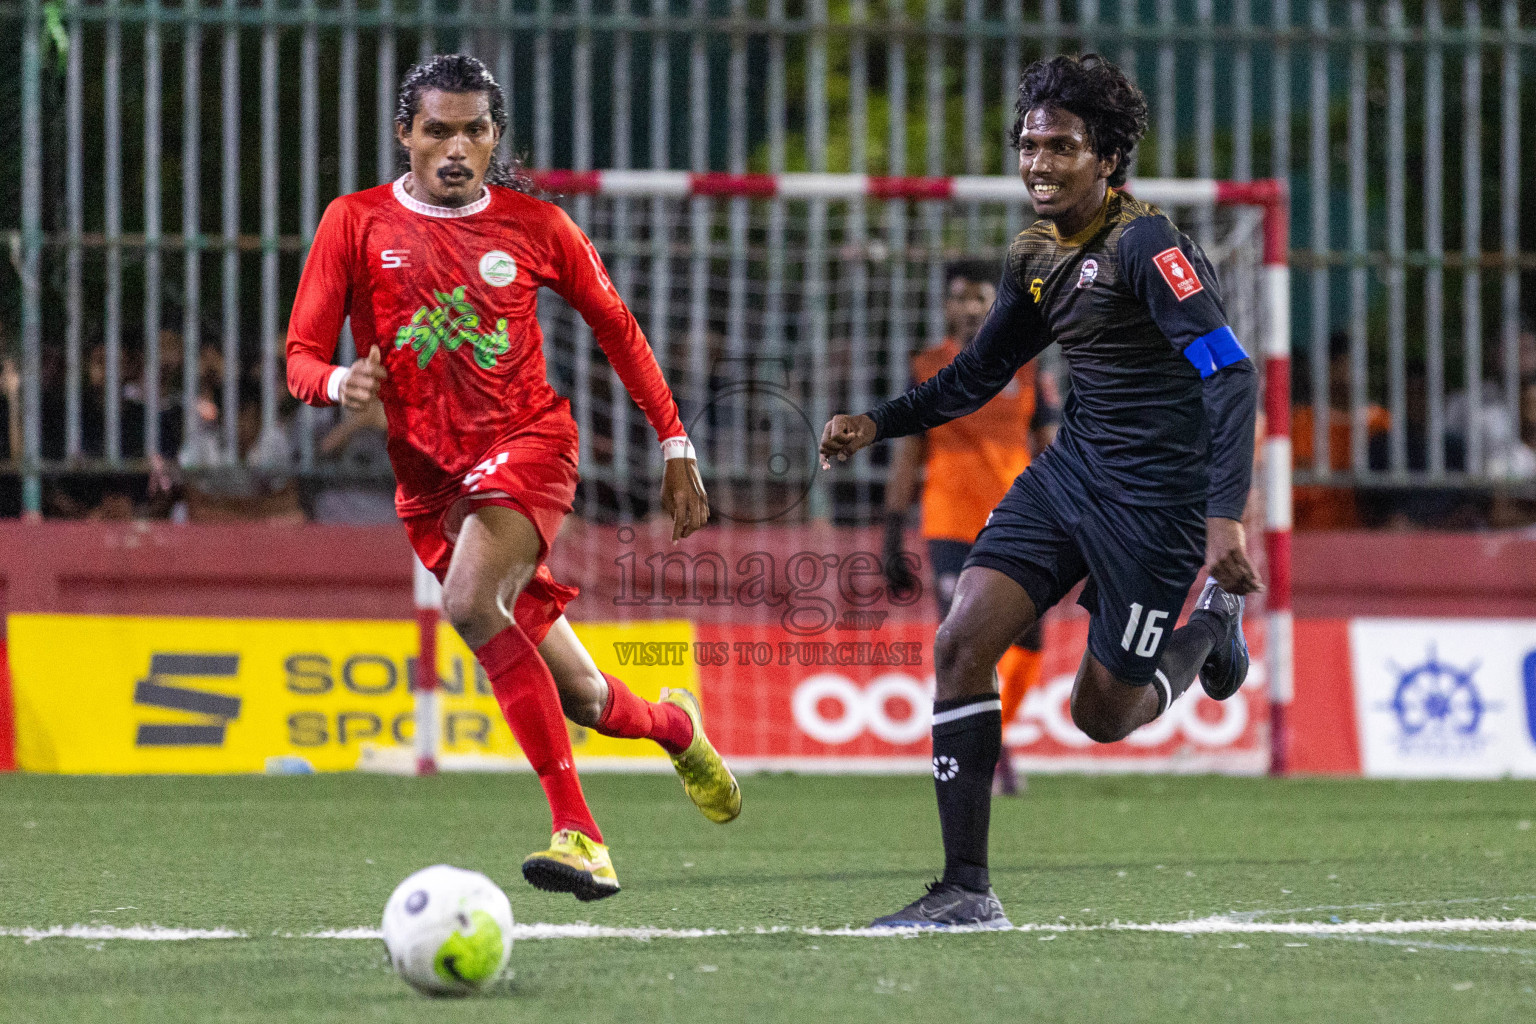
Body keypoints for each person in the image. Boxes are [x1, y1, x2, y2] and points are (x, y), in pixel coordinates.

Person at [820, 53, 1261, 929]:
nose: (1039, 164)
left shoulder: (1149, 247)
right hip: (1068, 479)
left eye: (1061, 147)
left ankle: (1211, 621)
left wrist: (1223, 522)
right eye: (1030, 145)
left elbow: (1231, 376)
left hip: (1158, 511)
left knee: (1101, 714)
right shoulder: (1034, 254)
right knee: (959, 642)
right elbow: (977, 376)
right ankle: (965, 890)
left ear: (1107, 159)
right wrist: (879, 422)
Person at [286, 54, 739, 902]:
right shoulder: (353, 222)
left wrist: (675, 443)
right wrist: (335, 383)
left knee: (467, 603)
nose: (455, 148)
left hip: (529, 445)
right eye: (437, 131)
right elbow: (300, 356)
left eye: (474, 130)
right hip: (431, 486)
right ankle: (677, 728)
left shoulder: (536, 226)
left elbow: (620, 329)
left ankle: (582, 834)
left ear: (496, 138)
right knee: (586, 696)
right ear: (404, 135)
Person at [882, 260, 1060, 797]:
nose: (968, 307)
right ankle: (983, 756)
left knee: (1030, 637)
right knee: (967, 640)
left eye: (979, 297)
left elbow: (1051, 449)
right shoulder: (926, 367)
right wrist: (892, 531)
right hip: (950, 524)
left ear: (996, 303)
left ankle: (997, 735)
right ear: (945, 307)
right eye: (958, 298)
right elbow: (909, 453)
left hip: (1017, 520)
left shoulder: (1029, 369)